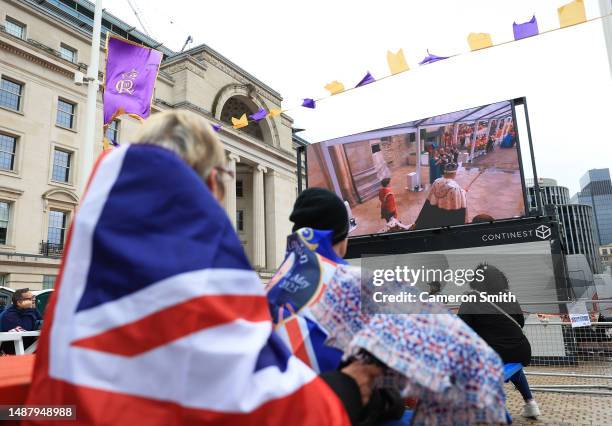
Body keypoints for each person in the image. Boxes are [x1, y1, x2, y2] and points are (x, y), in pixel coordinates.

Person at [25, 110, 379, 425]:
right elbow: (279, 409)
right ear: (211, 182)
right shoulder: (203, 284)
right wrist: (347, 388)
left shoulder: (81, 274)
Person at [458, 264, 541, 419]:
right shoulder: (508, 296)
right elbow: (520, 322)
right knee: (514, 368)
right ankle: (530, 403)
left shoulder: (471, 299)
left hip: (496, 354)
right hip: (521, 350)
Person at [413, 162, 467, 229]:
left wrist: (461, 191)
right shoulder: (455, 187)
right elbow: (459, 203)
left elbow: (430, 198)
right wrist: (463, 192)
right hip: (447, 215)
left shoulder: (436, 182)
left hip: (435, 211)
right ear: (454, 173)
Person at [0, 288, 41, 354]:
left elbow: (40, 321)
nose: (33, 300)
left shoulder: (30, 310)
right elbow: (26, 329)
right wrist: (30, 309)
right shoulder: (8, 315)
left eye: (33, 297)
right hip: (12, 351)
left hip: (25, 346)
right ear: (19, 302)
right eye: (29, 299)